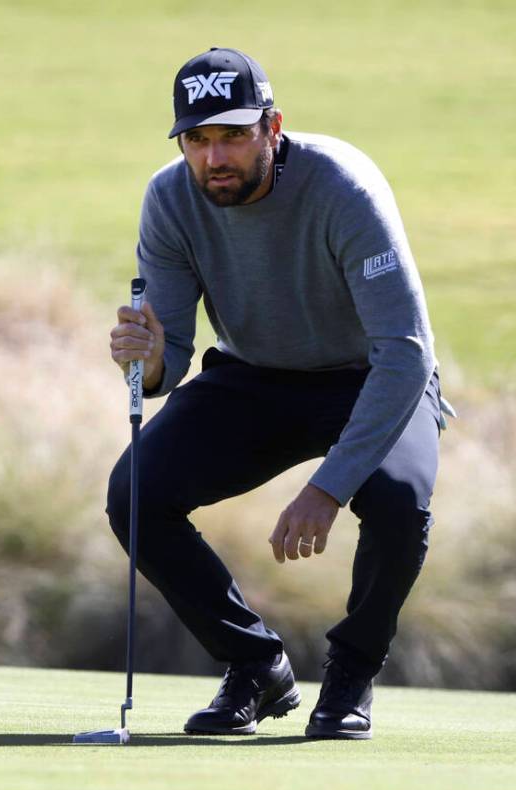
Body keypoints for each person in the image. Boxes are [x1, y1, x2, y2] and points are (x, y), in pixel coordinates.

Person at [106, 47, 452, 740]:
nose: (214, 158)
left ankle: (350, 674)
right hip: (253, 377)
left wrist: (326, 488)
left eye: (233, 135)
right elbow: (168, 359)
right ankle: (254, 666)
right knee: (136, 495)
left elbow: (403, 351)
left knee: (393, 500)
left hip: (371, 375)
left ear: (273, 127)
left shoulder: (342, 188)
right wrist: (143, 364)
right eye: (197, 140)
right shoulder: (170, 198)